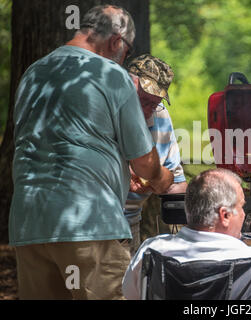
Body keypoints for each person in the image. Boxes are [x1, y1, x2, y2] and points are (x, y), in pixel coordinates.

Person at [9, 5, 173, 300]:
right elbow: (144, 162)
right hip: (89, 226)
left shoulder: (33, 73)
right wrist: (163, 178)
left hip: (29, 224)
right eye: (127, 50)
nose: (123, 58)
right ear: (116, 41)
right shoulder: (110, 74)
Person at [122, 168, 251, 300]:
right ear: (225, 215)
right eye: (241, 207)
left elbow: (131, 294)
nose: (244, 214)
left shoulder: (152, 250)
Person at [124, 54, 188, 256]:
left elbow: (174, 183)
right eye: (143, 101)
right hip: (96, 222)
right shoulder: (108, 109)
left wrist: (206, 189)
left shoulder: (160, 115)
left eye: (154, 103)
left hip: (130, 220)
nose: (147, 111)